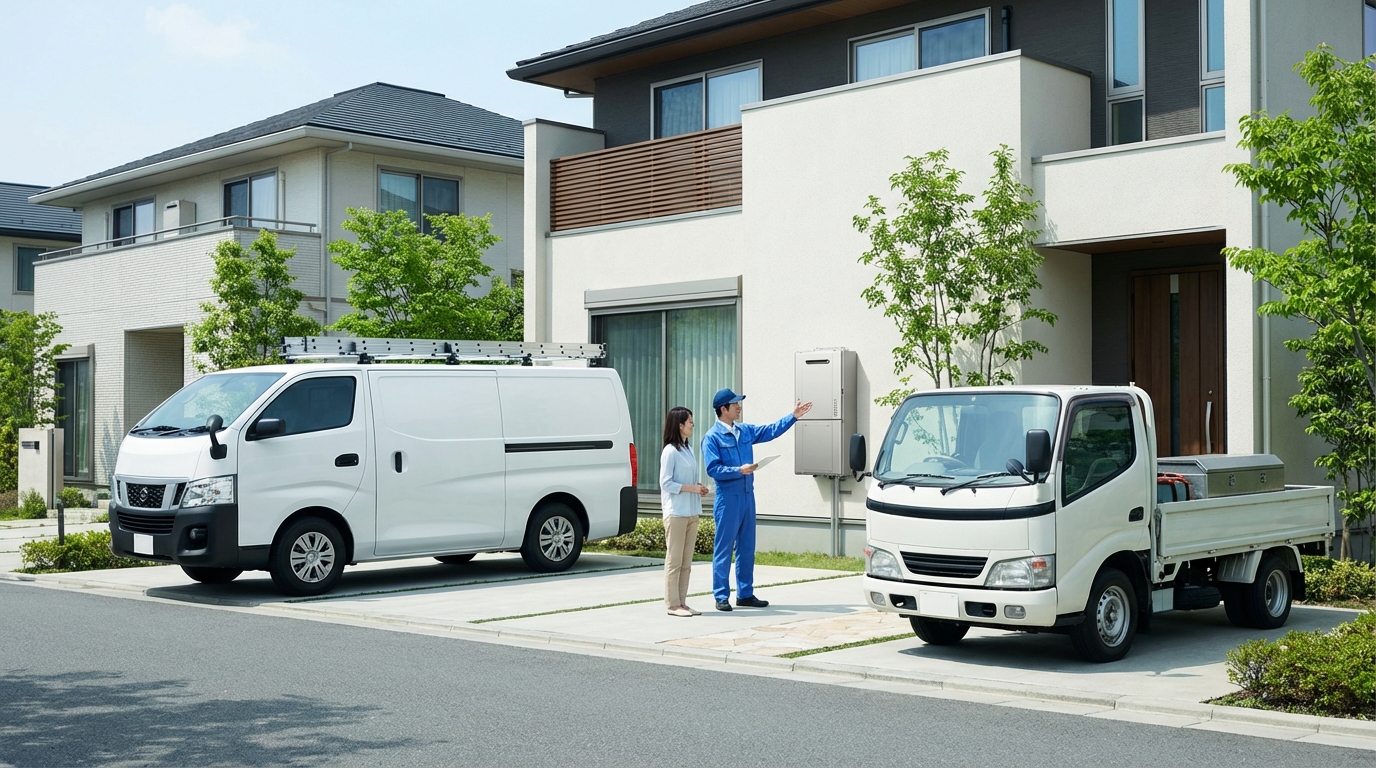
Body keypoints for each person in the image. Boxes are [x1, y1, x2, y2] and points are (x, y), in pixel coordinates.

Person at [701, 389, 812, 611]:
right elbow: (713, 469)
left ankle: (745, 593)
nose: (739, 407)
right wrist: (738, 470)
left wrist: (793, 416)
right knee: (723, 548)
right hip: (728, 498)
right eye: (735, 404)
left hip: (747, 496)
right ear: (724, 409)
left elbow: (770, 431)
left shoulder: (745, 431)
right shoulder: (712, 438)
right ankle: (721, 596)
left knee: (746, 546)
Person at [660, 407, 708, 617]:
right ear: (680, 425)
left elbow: (685, 480)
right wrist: (691, 488)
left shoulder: (687, 449)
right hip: (676, 513)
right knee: (675, 560)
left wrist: (697, 486)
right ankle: (672, 604)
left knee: (686, 562)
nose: (692, 425)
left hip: (691, 511)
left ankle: (682, 602)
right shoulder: (670, 451)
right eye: (690, 421)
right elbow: (666, 483)